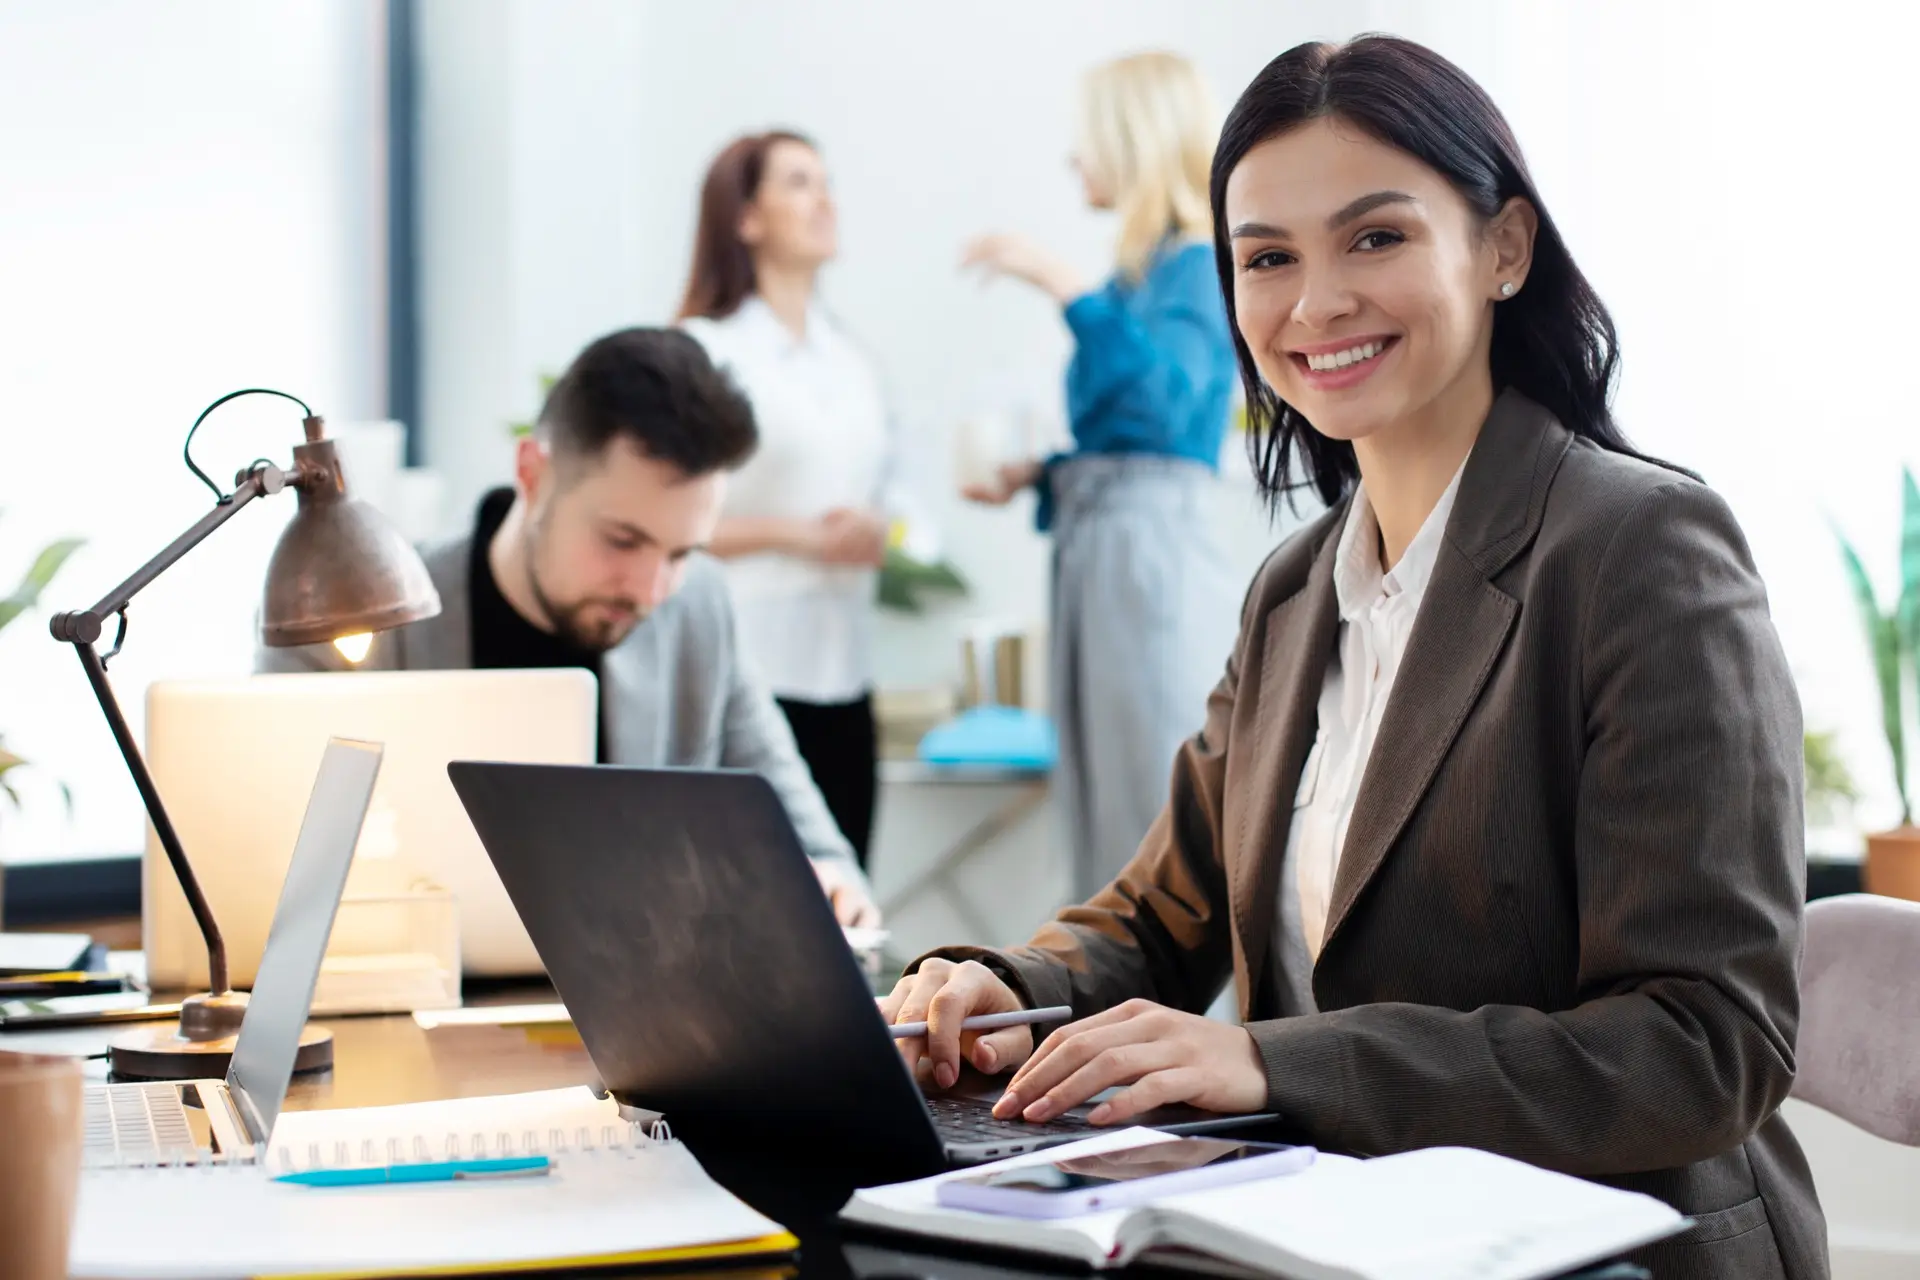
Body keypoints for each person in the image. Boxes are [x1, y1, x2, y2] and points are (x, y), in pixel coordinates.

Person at [885, 36, 1823, 1280]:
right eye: (1266, 257)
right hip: (1335, 1233)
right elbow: (1164, 910)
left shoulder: (1640, 548)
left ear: (1505, 249)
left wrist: (1277, 1060)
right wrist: (989, 987)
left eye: (1374, 237)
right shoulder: (1293, 588)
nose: (1314, 302)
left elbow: (1707, 1046)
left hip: (1605, 1246)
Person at [258, 327, 879, 926]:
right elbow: (265, 864)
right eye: (622, 539)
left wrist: (826, 883)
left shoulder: (699, 612)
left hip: (645, 1023)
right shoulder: (356, 616)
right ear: (532, 472)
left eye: (681, 552)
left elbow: (818, 845)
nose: (651, 589)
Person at [959, 51, 1240, 901]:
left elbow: (1165, 410)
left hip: (1144, 556)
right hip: (1104, 548)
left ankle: (1173, 1026)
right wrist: (1040, 475)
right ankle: (1106, 1016)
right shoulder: (1140, 276)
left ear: (1132, 140)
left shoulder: (1197, 263)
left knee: (1147, 800)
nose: (1075, 160)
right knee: (1098, 798)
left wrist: (1061, 286)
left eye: (1087, 140)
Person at [676, 130, 909, 870]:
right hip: (752, 674)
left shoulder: (851, 360)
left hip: (846, 676)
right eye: (799, 183)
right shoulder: (706, 351)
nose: (824, 200)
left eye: (826, 181)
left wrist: (881, 527)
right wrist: (796, 535)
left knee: (846, 914)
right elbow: (666, 521)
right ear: (746, 218)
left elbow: (890, 489)